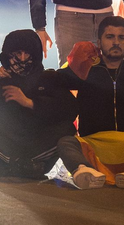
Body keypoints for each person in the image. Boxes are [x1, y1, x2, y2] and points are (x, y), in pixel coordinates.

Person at [0, 30, 77, 178]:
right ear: (9, 55)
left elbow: (70, 109)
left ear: (35, 55)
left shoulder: (48, 78)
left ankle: (17, 166)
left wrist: (30, 103)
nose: (23, 59)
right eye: (18, 54)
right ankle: (15, 165)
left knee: (67, 129)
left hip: (37, 147)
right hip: (4, 145)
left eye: (28, 54)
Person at [56, 16, 124, 189]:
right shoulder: (87, 66)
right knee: (66, 142)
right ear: (99, 42)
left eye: (121, 37)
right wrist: (75, 65)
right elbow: (56, 81)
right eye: (110, 37)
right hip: (94, 145)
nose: (116, 42)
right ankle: (84, 172)